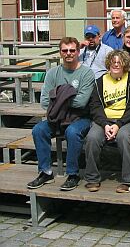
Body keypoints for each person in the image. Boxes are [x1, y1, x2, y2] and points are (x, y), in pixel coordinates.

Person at [27, 37, 95, 191]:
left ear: (78, 52)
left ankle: (73, 174)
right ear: (60, 52)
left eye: (72, 50)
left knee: (72, 131)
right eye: (65, 50)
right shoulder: (53, 73)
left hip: (81, 118)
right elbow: (44, 101)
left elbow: (81, 102)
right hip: (56, 118)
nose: (68, 54)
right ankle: (45, 172)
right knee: (38, 129)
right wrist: (68, 95)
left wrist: (58, 97)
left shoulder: (86, 73)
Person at [84, 50, 130, 193]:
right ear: (108, 64)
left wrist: (118, 125)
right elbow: (95, 106)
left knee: (124, 136)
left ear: (124, 64)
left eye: (119, 62)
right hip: (104, 121)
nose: (116, 64)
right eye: (113, 62)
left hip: (129, 120)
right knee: (92, 138)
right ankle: (92, 178)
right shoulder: (100, 81)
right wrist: (105, 125)